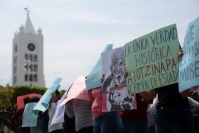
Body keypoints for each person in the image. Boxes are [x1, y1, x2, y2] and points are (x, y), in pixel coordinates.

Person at [133, 48, 195, 133]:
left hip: (179, 111)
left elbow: (185, 94)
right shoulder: (159, 74)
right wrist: (132, 82)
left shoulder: (184, 67)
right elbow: (148, 96)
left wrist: (182, 65)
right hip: (161, 113)